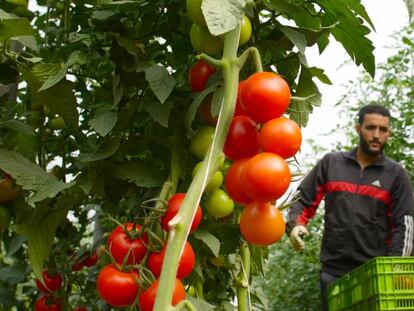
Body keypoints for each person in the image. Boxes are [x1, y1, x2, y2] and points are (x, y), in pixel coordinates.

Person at [286, 104, 414, 311]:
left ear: (389, 133)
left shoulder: (396, 175)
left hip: (374, 272)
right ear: (358, 129)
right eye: (370, 127)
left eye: (383, 130)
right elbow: (302, 200)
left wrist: (394, 269)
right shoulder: (332, 164)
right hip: (333, 270)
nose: (376, 135)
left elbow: (405, 226)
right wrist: (294, 225)